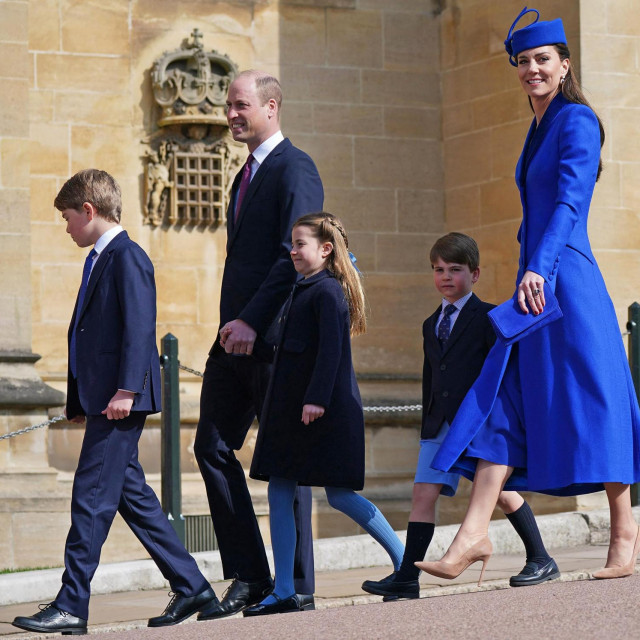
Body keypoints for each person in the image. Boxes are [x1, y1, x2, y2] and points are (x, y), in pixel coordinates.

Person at [418, 7, 640, 585]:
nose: (532, 69)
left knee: (598, 400)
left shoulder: (577, 121)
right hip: (534, 280)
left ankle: (624, 534)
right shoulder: (536, 127)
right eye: (523, 61)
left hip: (567, 280)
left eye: (543, 59)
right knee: (500, 401)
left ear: (564, 65)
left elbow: (569, 203)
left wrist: (538, 269)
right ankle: (474, 534)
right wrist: (527, 269)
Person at [12, 170, 217, 636]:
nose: (65, 228)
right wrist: (76, 399)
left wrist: (126, 390)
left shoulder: (127, 257)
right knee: (133, 499)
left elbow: (140, 328)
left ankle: (71, 605)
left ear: (88, 210)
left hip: (120, 400)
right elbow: (85, 334)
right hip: (104, 400)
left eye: (67, 217)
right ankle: (192, 586)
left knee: (88, 499)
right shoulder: (99, 259)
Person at [362, 233, 557, 600]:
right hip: (439, 423)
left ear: (475, 274)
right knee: (423, 493)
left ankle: (541, 557)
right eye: (438, 269)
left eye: (455, 269)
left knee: (499, 493)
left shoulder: (488, 318)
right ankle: (407, 577)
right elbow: (430, 379)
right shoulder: (429, 324)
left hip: (479, 421)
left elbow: (501, 374)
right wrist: (426, 427)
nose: (446, 276)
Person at [194, 70, 323, 621]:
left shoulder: (296, 168)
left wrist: (251, 320)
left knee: (283, 458)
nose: (231, 115)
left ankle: (295, 586)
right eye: (229, 106)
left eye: (240, 105)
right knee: (211, 447)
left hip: (275, 338)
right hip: (236, 340)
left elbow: (293, 255)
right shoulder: (242, 176)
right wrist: (232, 326)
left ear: (272, 106)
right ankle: (250, 575)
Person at [243, 212, 404, 615]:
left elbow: (333, 352)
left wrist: (316, 399)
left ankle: (407, 564)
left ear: (325, 248)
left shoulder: (328, 292)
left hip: (320, 412)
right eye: (292, 244)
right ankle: (283, 590)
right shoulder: (305, 288)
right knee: (279, 491)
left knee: (340, 495)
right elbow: (294, 351)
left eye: (300, 244)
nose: (293, 251)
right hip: (291, 413)